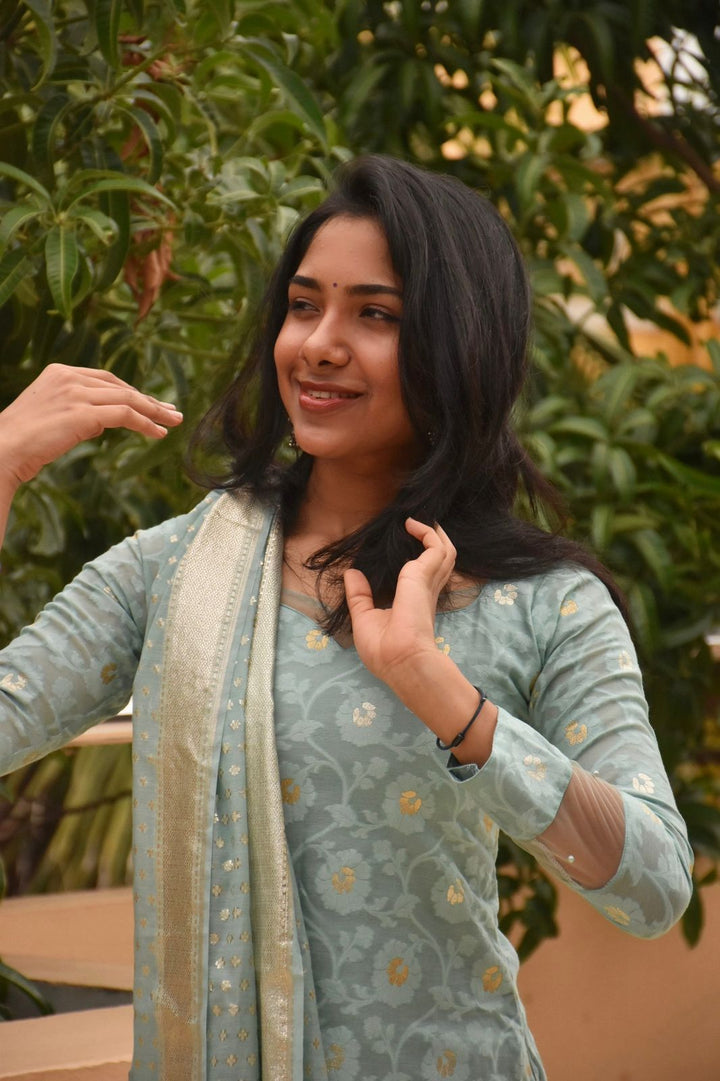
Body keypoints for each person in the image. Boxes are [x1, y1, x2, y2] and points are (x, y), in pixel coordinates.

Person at [0, 155, 692, 1081]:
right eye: (303, 305)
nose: (319, 344)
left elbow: (653, 884)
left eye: (376, 315)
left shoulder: (546, 602)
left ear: (457, 342)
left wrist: (445, 697)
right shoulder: (175, 571)